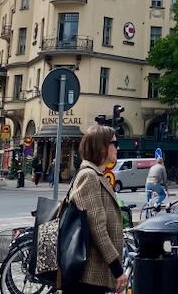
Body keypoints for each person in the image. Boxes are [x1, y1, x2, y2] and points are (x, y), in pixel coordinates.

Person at [67, 124, 127, 294]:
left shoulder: (96, 175)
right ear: (102, 147)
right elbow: (97, 227)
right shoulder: (89, 176)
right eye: (114, 143)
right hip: (88, 275)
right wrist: (117, 270)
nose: (118, 147)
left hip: (93, 275)